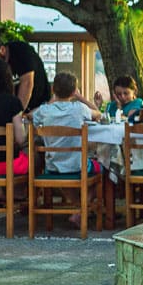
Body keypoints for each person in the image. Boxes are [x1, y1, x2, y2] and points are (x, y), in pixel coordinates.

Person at [31, 72, 104, 228]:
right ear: (74, 91)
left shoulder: (44, 111)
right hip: (77, 166)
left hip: (53, 167)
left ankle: (79, 209)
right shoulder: (79, 108)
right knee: (103, 168)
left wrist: (51, 101)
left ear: (53, 89)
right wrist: (81, 97)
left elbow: (31, 116)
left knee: (63, 173)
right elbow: (98, 114)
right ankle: (82, 209)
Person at [0, 32, 51, 113]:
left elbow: (27, 83)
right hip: (13, 106)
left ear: (2, 50)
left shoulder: (22, 52)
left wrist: (17, 113)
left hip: (38, 106)